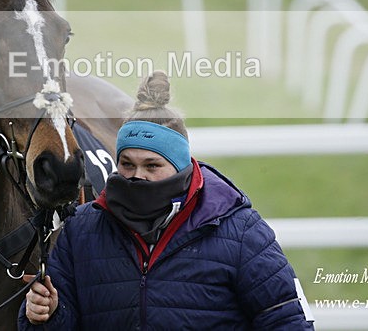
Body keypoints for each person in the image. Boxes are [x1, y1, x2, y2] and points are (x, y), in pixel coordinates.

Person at [19, 71, 314, 329]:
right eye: (127, 164)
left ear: (181, 168)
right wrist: (46, 314)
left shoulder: (240, 232)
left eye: (152, 166)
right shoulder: (81, 231)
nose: (137, 176)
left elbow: (288, 320)